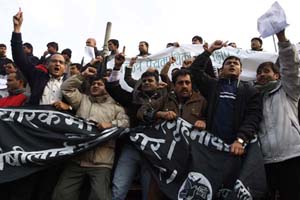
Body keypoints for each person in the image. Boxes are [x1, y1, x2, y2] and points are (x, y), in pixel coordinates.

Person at [53, 66, 129, 200]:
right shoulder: (82, 100)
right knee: (61, 194)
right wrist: (83, 75)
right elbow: (66, 88)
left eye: (100, 84)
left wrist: (111, 124)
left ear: (107, 88)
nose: (95, 86)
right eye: (93, 83)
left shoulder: (116, 106)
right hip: (76, 159)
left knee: (100, 197)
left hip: (101, 162)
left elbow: (125, 123)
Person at [105, 53, 168, 200]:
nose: (146, 83)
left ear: (158, 84)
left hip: (153, 152)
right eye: (144, 80)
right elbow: (113, 88)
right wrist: (117, 67)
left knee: (149, 192)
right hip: (131, 148)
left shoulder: (166, 100)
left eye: (150, 80)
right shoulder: (132, 97)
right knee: (118, 188)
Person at [190, 40, 261, 155]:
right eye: (228, 63)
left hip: (237, 147)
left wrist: (241, 139)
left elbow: (253, 117)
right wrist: (209, 51)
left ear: (241, 70)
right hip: (211, 145)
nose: (232, 64)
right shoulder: (213, 86)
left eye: (236, 63)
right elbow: (195, 71)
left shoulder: (250, 90)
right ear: (221, 70)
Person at [255, 29, 300, 200]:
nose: (262, 75)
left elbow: (290, 66)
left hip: (293, 157)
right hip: (266, 162)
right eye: (259, 73)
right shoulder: (254, 98)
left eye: (266, 71)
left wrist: (281, 38)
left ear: (277, 74)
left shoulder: (288, 90)